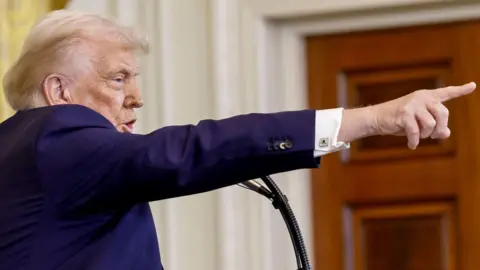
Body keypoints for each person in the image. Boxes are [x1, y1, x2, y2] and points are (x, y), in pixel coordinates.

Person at [0, 9, 475, 270]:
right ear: (59, 90)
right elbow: (190, 150)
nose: (137, 99)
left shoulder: (20, 151)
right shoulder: (56, 134)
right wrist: (371, 119)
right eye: (118, 78)